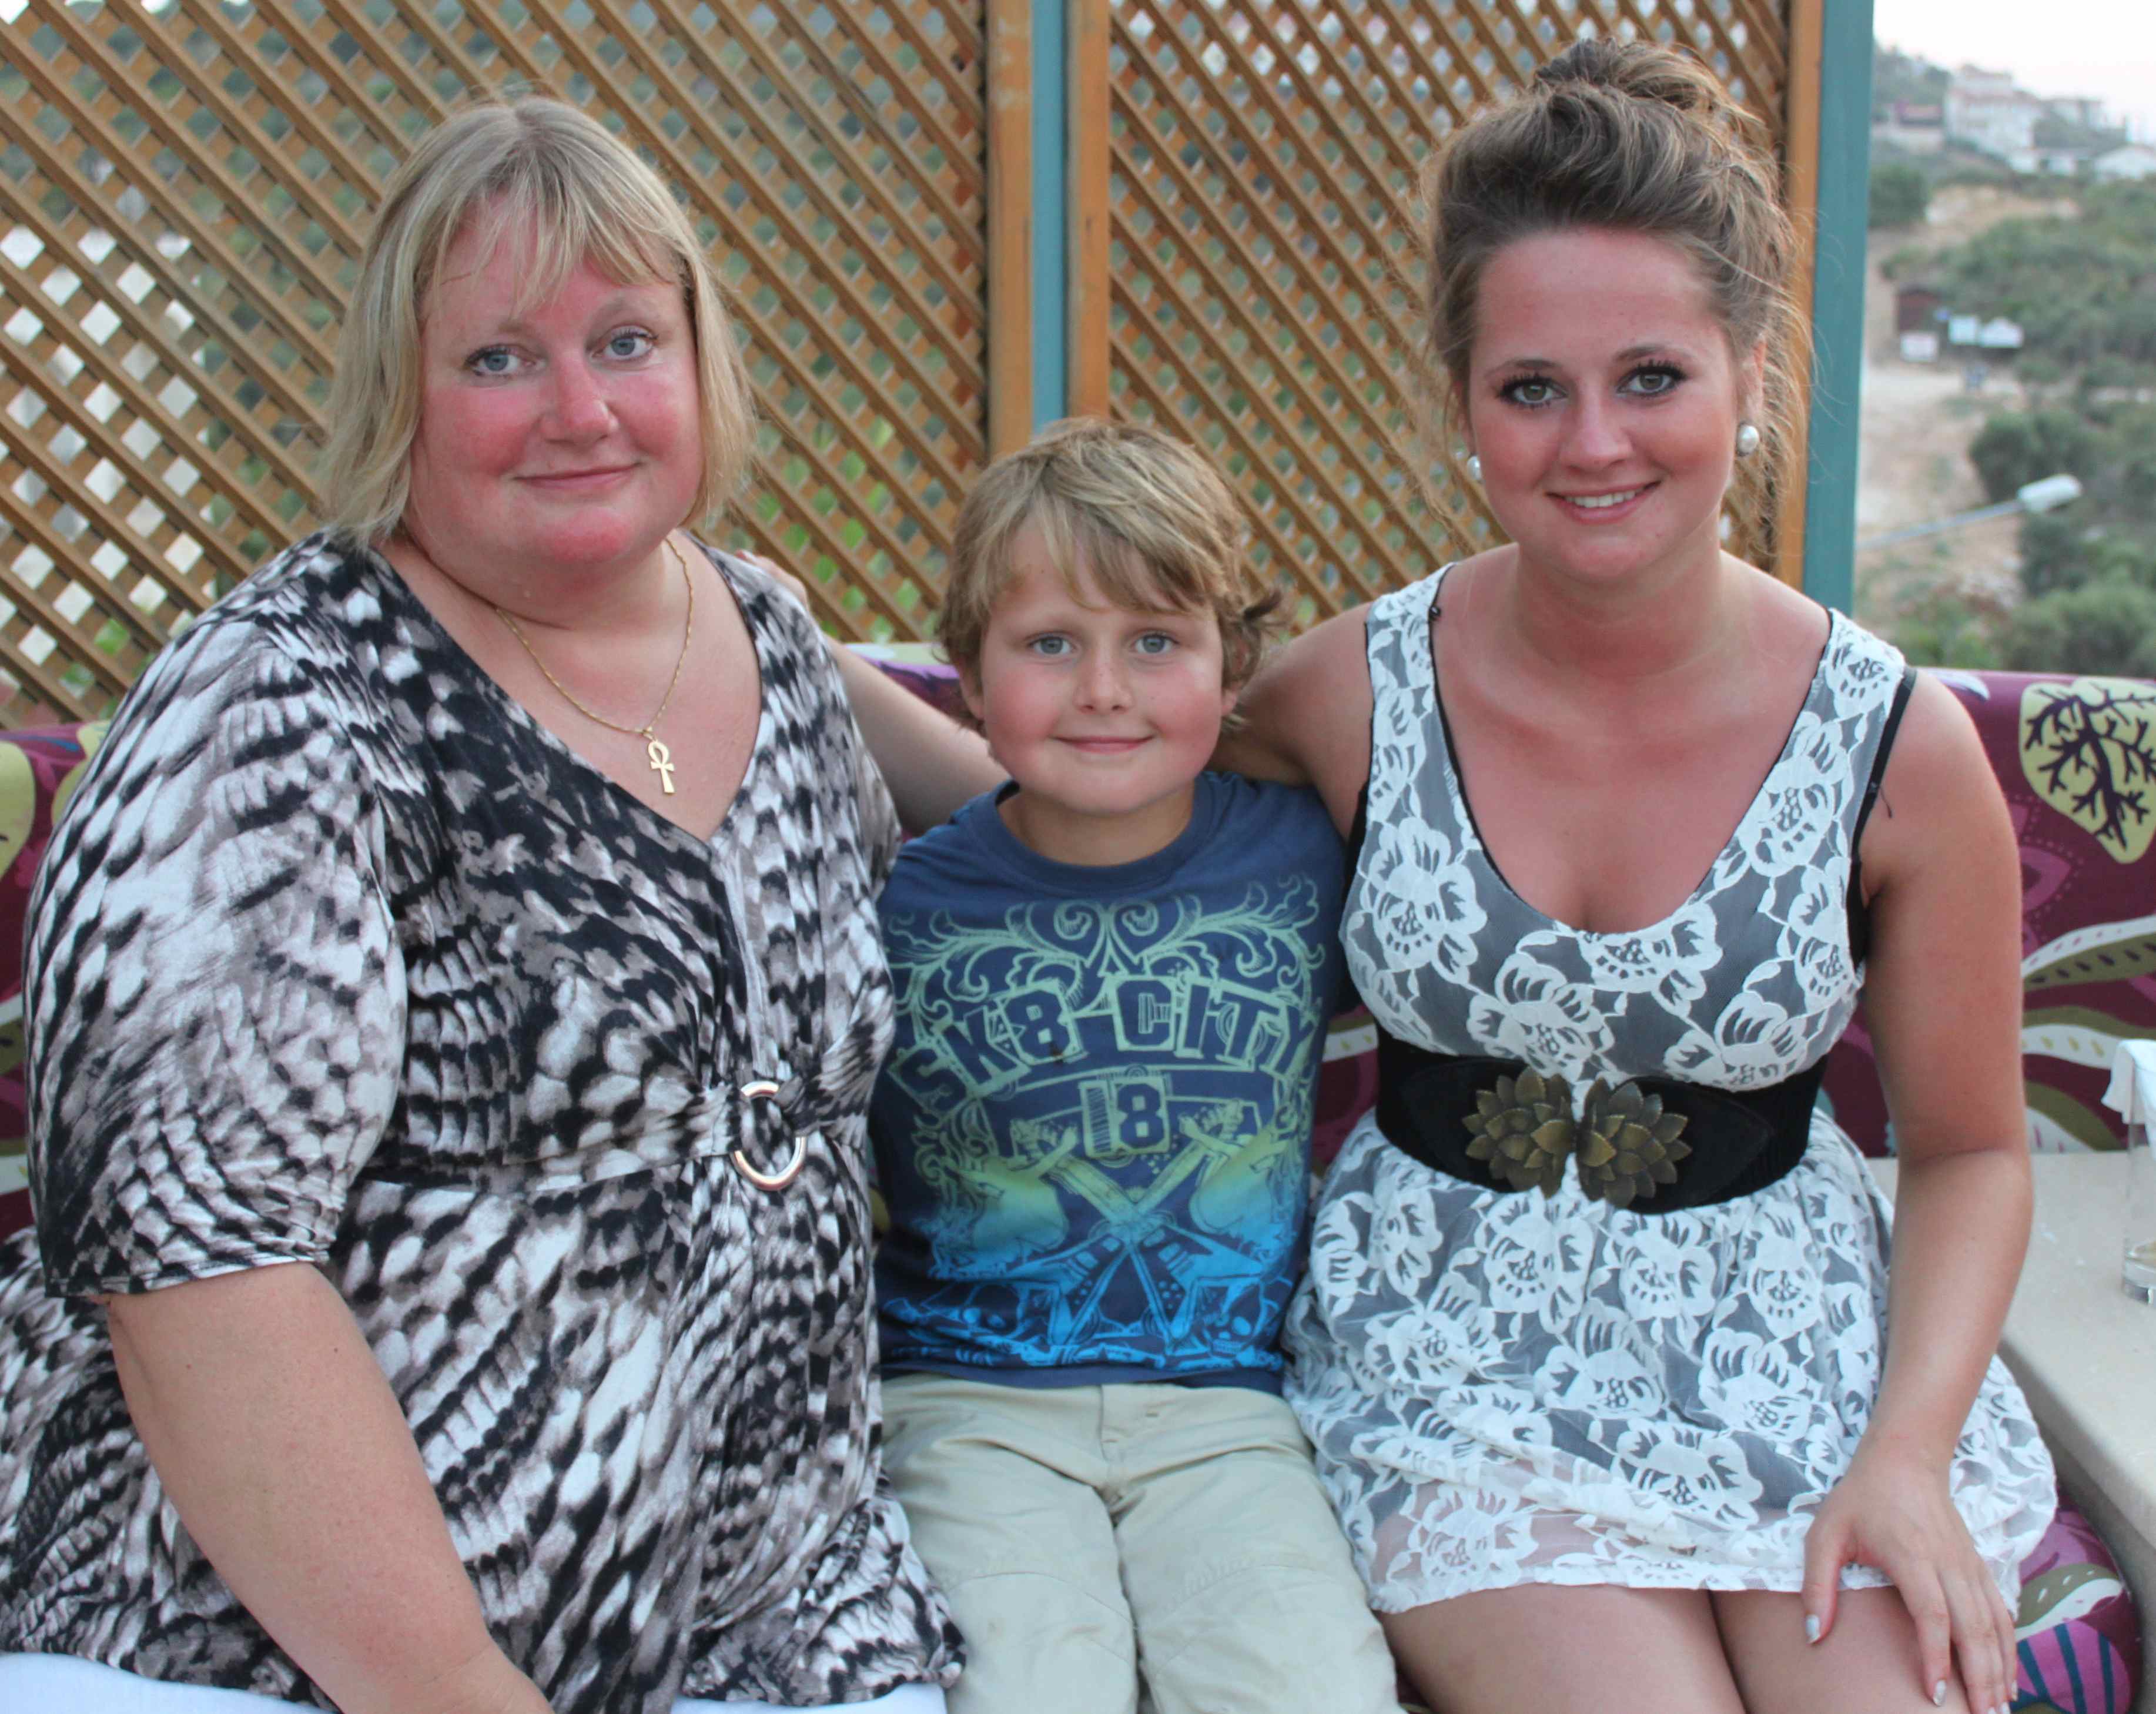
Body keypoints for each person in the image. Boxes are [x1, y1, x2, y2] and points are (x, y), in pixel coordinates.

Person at [0, 97, 969, 1714]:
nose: (580, 409)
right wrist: (455, 1687)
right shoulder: (276, 705)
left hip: (784, 1618)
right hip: (279, 1655)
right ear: (403, 390)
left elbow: (1038, 827)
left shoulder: (774, 640)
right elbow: (195, 1271)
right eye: (500, 358)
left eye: (626, 341)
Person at [1214, 41, 2055, 1714]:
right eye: (1530, 387)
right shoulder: (1348, 692)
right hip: (1452, 1359)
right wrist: (786, 652)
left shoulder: (1892, 745)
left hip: (1800, 1361)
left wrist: (1902, 1455)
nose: (1591, 442)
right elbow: (1082, 796)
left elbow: (1971, 1149)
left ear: (1750, 376)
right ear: (1462, 403)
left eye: (1651, 376)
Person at [865, 420, 1404, 1714]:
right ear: (968, 678)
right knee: (1023, 1690)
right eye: (1051, 644)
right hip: (967, 1403)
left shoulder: (1305, 858)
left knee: (1315, 1696)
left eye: (1156, 641)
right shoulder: (898, 905)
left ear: (1233, 672)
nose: (1104, 688)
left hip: (1229, 1408)